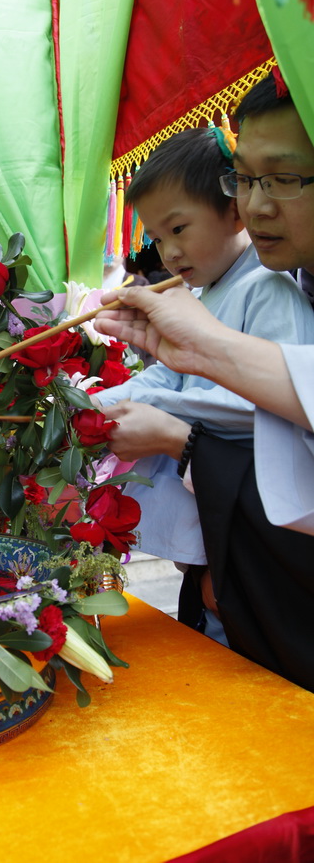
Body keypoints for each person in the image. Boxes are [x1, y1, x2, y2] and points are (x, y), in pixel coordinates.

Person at [94, 69, 314, 691]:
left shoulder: (267, 286)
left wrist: (168, 415)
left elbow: (264, 422)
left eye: (286, 177)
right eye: (246, 179)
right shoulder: (227, 288)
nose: (257, 204)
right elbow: (179, 374)